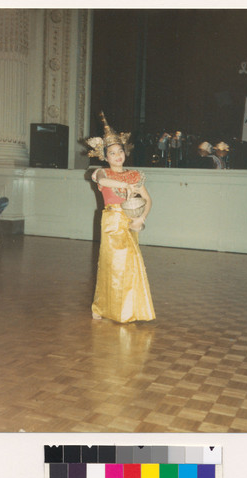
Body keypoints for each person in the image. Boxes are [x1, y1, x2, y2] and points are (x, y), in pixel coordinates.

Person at [87, 112, 155, 323]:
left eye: (120, 151)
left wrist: (141, 218)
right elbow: (104, 183)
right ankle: (103, 307)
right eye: (112, 153)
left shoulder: (134, 174)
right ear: (105, 156)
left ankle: (129, 308)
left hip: (130, 221)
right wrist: (125, 186)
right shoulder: (101, 172)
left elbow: (148, 200)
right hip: (112, 222)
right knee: (112, 264)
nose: (117, 156)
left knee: (132, 265)